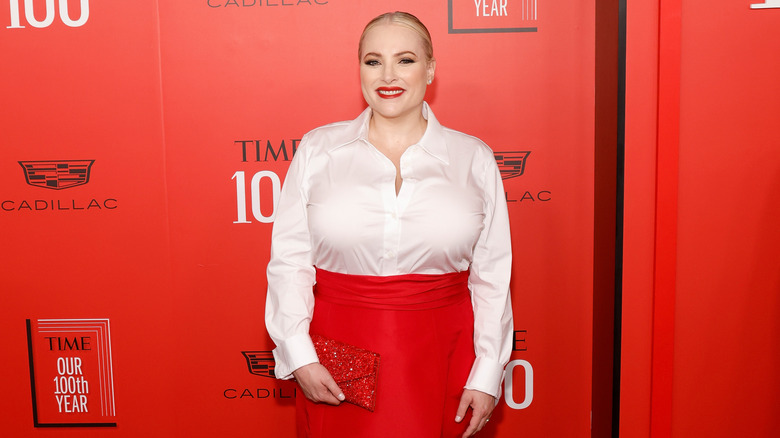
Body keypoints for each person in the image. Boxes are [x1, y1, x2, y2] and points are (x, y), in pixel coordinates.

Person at [265, 11, 513, 438]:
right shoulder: (318, 149)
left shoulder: (473, 158)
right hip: (334, 359)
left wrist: (488, 371)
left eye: (406, 60)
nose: (388, 75)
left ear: (430, 69)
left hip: (442, 356)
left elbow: (492, 276)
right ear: (359, 69)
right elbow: (289, 262)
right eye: (373, 60)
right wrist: (299, 355)